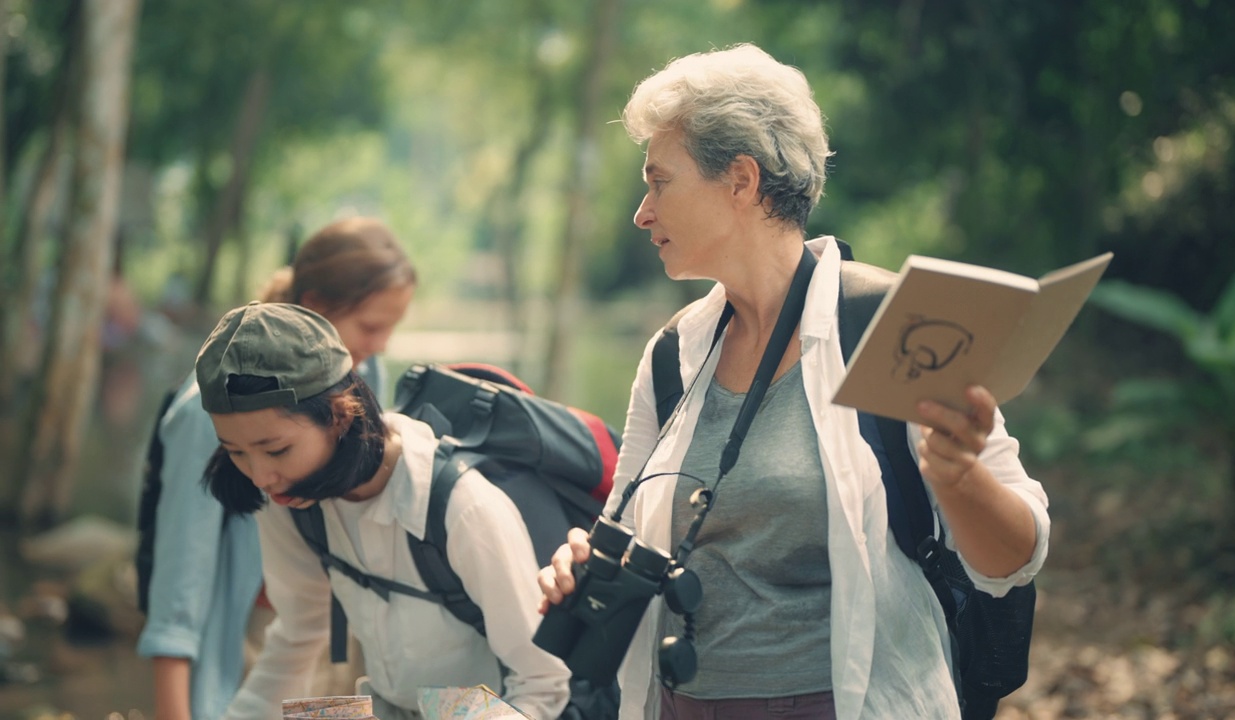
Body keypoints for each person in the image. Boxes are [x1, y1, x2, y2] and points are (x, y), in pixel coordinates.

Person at [537, 44, 1050, 719]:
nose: (642, 211)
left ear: (742, 181)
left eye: (659, 181)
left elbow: (1016, 558)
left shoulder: (893, 323)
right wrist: (583, 558)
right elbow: (628, 529)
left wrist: (960, 480)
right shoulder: (674, 354)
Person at [195, 302, 572, 719]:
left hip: (478, 711)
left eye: (276, 449)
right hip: (389, 705)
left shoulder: (459, 505)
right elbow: (299, 633)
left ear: (340, 414)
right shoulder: (291, 498)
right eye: (236, 453)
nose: (260, 476)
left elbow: (543, 683)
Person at [136, 217, 417, 720]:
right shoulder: (216, 411)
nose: (382, 345)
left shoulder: (358, 377)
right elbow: (180, 583)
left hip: (337, 636)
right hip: (256, 639)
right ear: (314, 307)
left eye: (392, 328)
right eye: (372, 327)